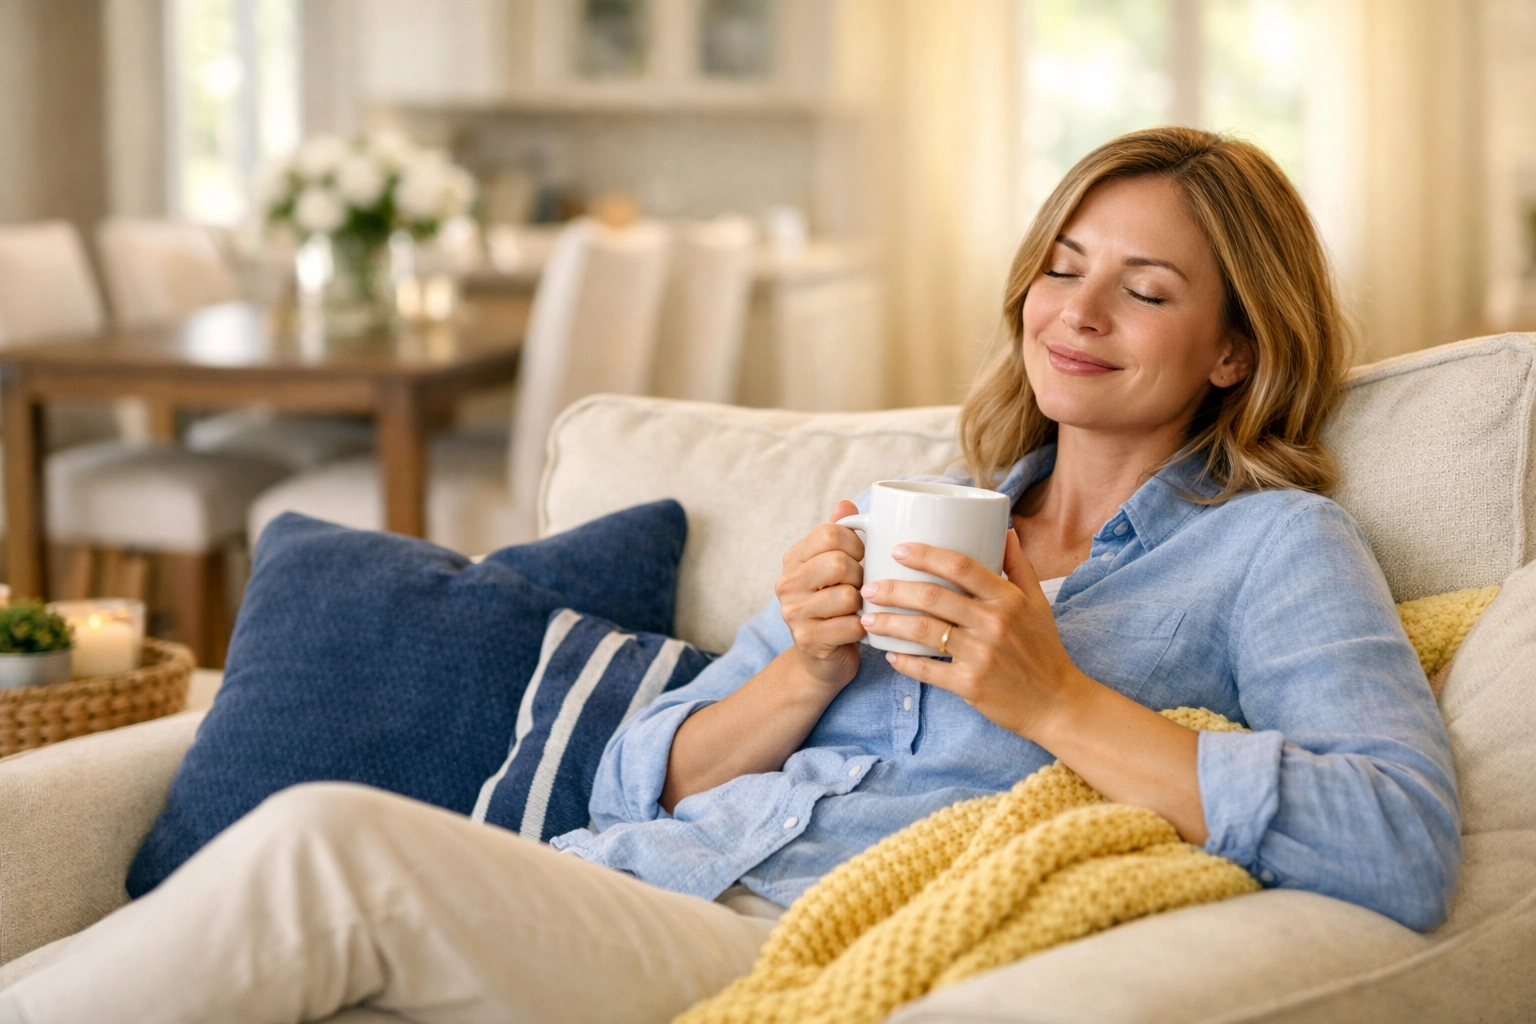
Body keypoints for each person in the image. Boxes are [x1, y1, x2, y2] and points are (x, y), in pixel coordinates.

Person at [0, 127, 1459, 1024]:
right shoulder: (924, 514)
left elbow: (1400, 841)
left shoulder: (1274, 548)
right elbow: (637, 777)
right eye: (1061, 266)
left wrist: (1055, 699)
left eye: (1144, 290)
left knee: (333, 842)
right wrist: (800, 671)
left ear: (1235, 349)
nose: (1075, 312)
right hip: (631, 883)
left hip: (792, 942)